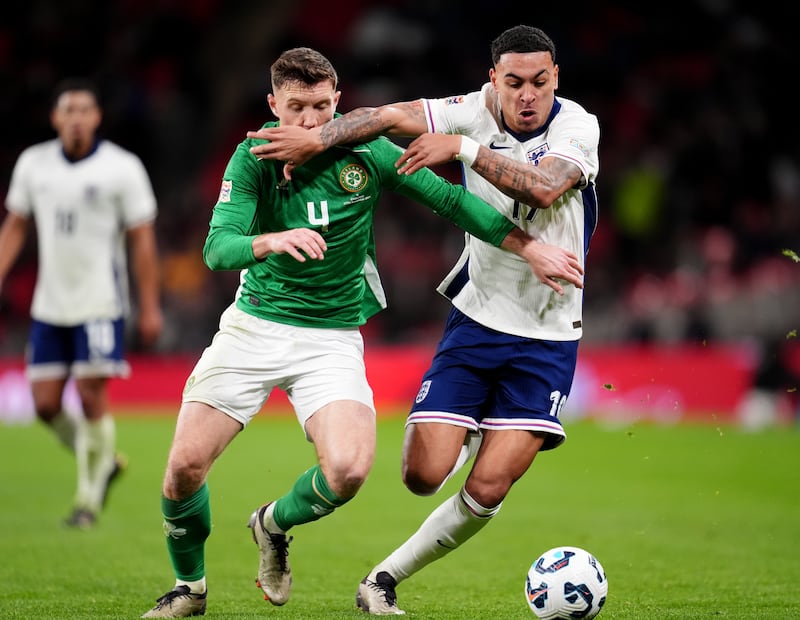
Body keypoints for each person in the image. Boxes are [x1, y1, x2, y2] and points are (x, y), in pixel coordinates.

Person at [141, 46, 583, 618]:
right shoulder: (252, 158)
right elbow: (216, 247)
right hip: (253, 328)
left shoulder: (367, 152)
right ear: (273, 104)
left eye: (322, 107)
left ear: (338, 101)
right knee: (182, 470)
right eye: (297, 108)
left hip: (331, 339)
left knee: (348, 471)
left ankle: (272, 525)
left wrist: (531, 248)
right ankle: (189, 590)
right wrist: (268, 241)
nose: (310, 121)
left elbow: (450, 200)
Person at [0, 78, 162, 529]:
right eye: (67, 110)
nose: (75, 118)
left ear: (96, 118)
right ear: (55, 118)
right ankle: (105, 461)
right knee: (45, 405)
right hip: (50, 303)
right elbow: (15, 225)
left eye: (84, 110)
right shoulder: (34, 165)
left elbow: (142, 241)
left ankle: (87, 501)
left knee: (92, 394)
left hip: (100, 301)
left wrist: (149, 305)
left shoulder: (122, 168)